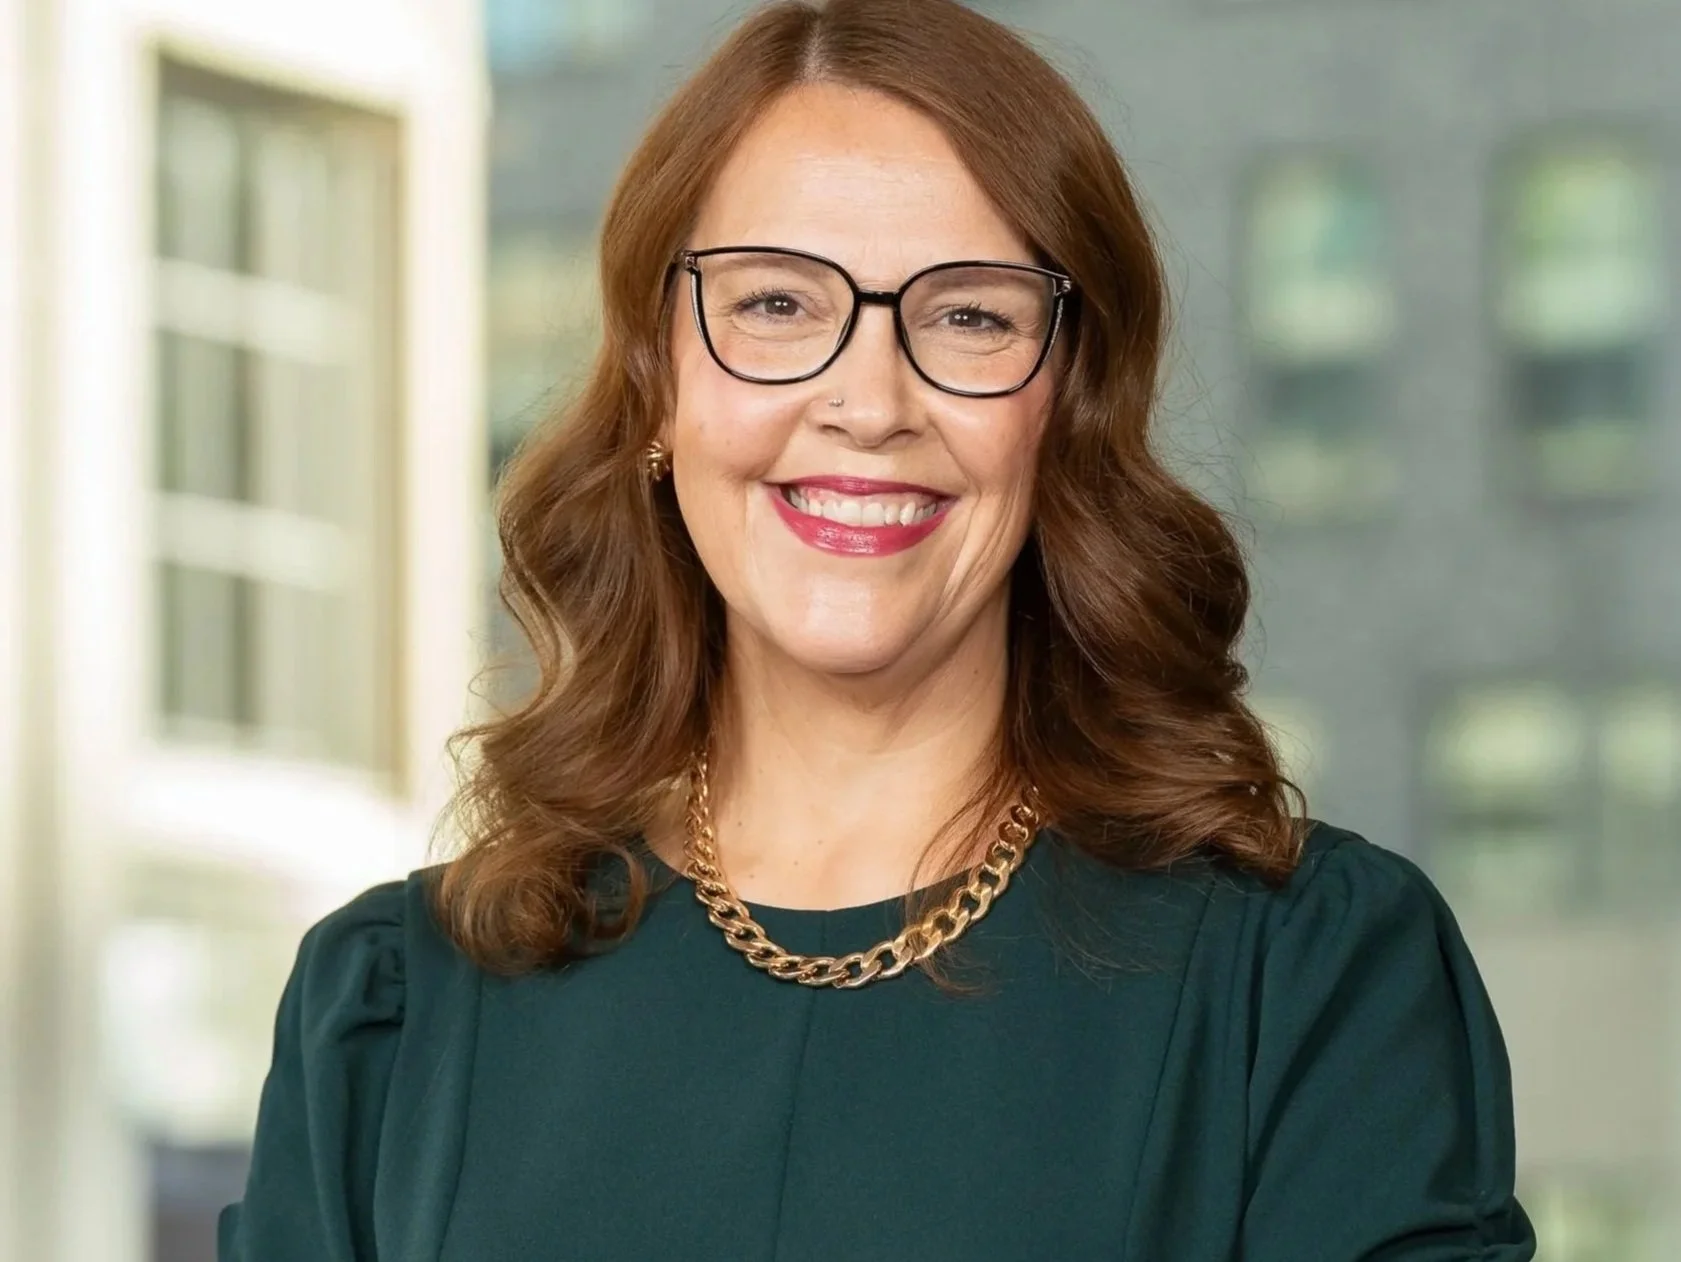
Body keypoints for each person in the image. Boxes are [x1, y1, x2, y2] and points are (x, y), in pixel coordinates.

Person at [219, 1, 1538, 1258]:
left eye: (968, 316)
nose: (867, 399)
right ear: (656, 384)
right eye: (777, 303)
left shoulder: (1305, 983)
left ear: (1063, 403)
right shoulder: (395, 1017)